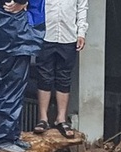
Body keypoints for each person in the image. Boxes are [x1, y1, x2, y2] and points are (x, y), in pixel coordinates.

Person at [0, 0, 44, 152]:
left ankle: (10, 136)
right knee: (9, 85)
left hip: (11, 30)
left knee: (14, 86)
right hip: (12, 31)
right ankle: (2, 138)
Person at [33, 0, 88, 138]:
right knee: (44, 75)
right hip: (45, 34)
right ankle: (43, 118)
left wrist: (81, 32)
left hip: (68, 34)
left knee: (64, 77)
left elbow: (82, 8)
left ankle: (61, 119)